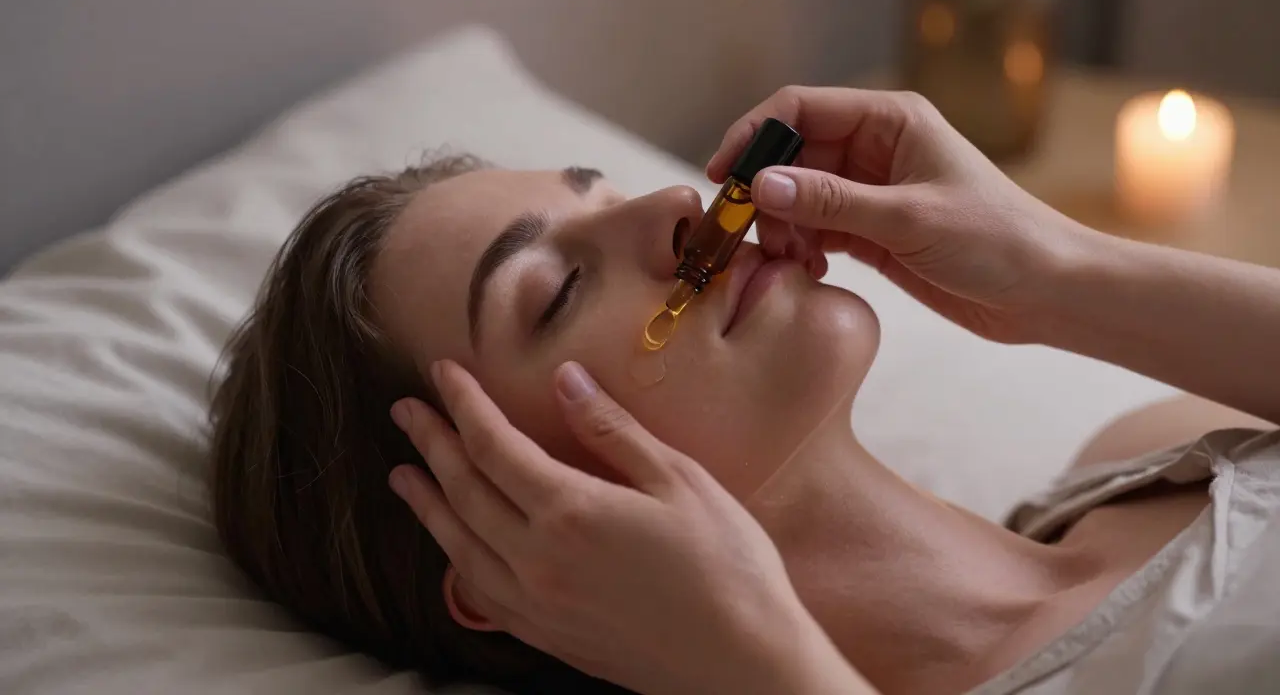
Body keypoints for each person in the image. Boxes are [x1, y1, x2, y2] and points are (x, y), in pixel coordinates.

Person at [210, 86, 1280, 695]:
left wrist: (1056, 275)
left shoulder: (1152, 457)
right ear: (504, 542)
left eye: (615, 193)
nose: (681, 208)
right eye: (558, 289)